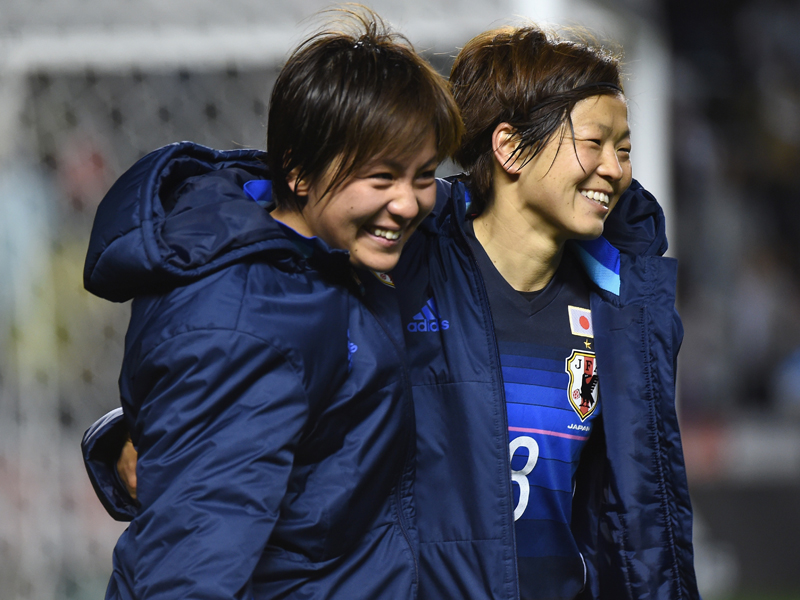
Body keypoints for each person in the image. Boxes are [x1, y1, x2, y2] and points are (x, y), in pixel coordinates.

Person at [85, 21, 699, 600]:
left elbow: (634, 509)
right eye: (594, 144)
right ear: (509, 148)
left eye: (625, 149)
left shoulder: (625, 302)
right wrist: (146, 433)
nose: (614, 168)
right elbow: (262, 339)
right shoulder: (393, 264)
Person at [81, 9, 462, 599]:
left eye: (423, 175)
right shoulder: (248, 316)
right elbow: (192, 563)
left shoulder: (331, 262)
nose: (409, 204)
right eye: (382, 177)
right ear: (299, 172)